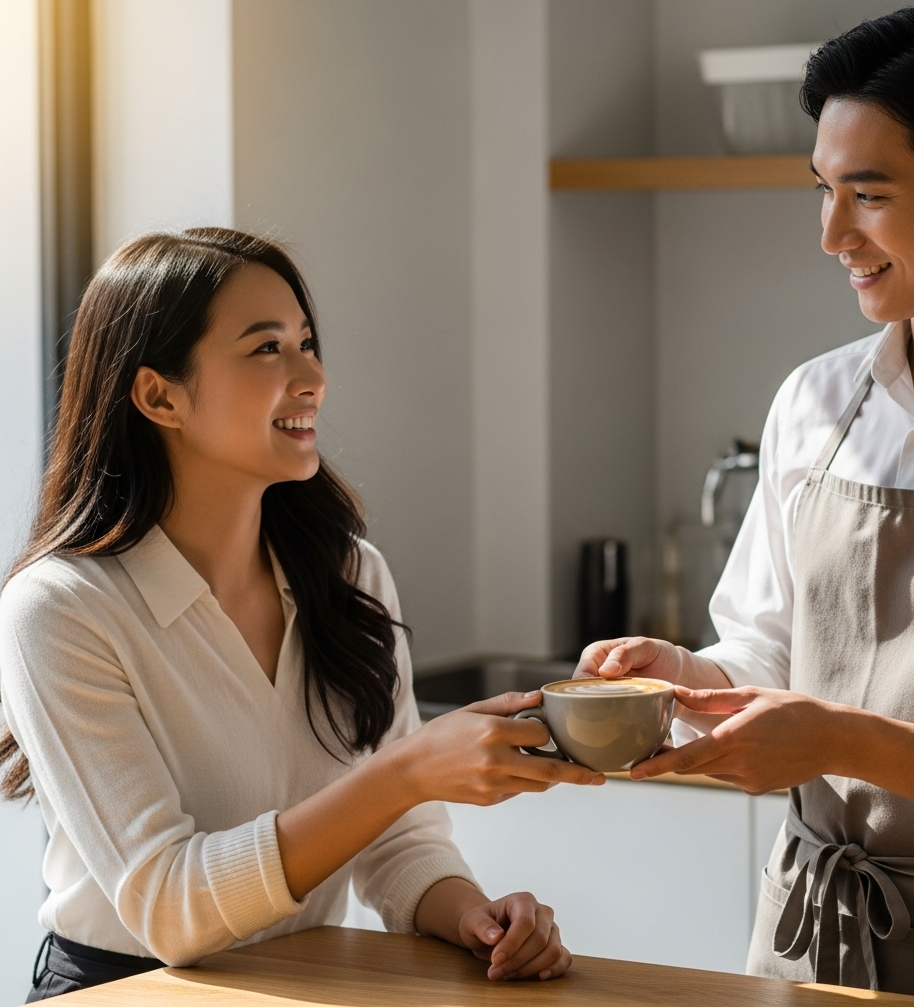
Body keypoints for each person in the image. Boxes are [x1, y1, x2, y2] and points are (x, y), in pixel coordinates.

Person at [0, 228, 604, 1001]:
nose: (311, 375)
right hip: (126, 990)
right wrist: (408, 772)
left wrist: (477, 920)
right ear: (160, 395)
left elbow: (397, 842)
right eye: (266, 349)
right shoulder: (59, 610)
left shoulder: (351, 576)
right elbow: (169, 910)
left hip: (300, 985)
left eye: (308, 343)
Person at [576, 2, 914, 1006]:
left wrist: (841, 742)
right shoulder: (815, 402)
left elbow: (831, 725)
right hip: (808, 937)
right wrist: (685, 677)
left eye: (866, 194)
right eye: (820, 191)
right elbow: (769, 653)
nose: (829, 234)